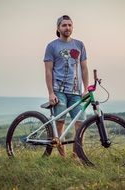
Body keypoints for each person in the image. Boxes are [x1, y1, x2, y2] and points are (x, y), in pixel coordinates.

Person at [43, 15, 89, 157]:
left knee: (81, 125)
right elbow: (48, 71)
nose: (67, 27)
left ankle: (75, 156)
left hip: (76, 92)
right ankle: (62, 157)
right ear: (58, 28)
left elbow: (84, 68)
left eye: (69, 25)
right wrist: (51, 93)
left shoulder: (79, 45)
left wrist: (86, 89)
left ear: (72, 27)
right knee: (60, 124)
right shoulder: (52, 46)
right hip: (59, 91)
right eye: (64, 25)